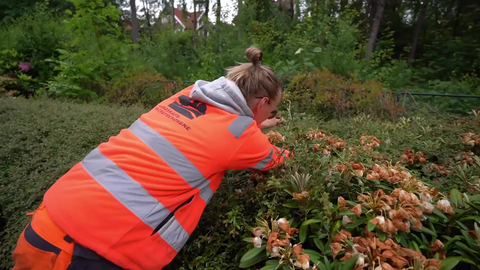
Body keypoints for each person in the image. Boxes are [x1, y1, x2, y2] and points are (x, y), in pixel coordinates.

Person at [11, 46, 292, 270]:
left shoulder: (187, 96)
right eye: (271, 111)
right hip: (90, 249)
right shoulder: (242, 136)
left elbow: (209, 132)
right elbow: (277, 159)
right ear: (263, 103)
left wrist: (255, 125)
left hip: (48, 221)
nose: (269, 117)